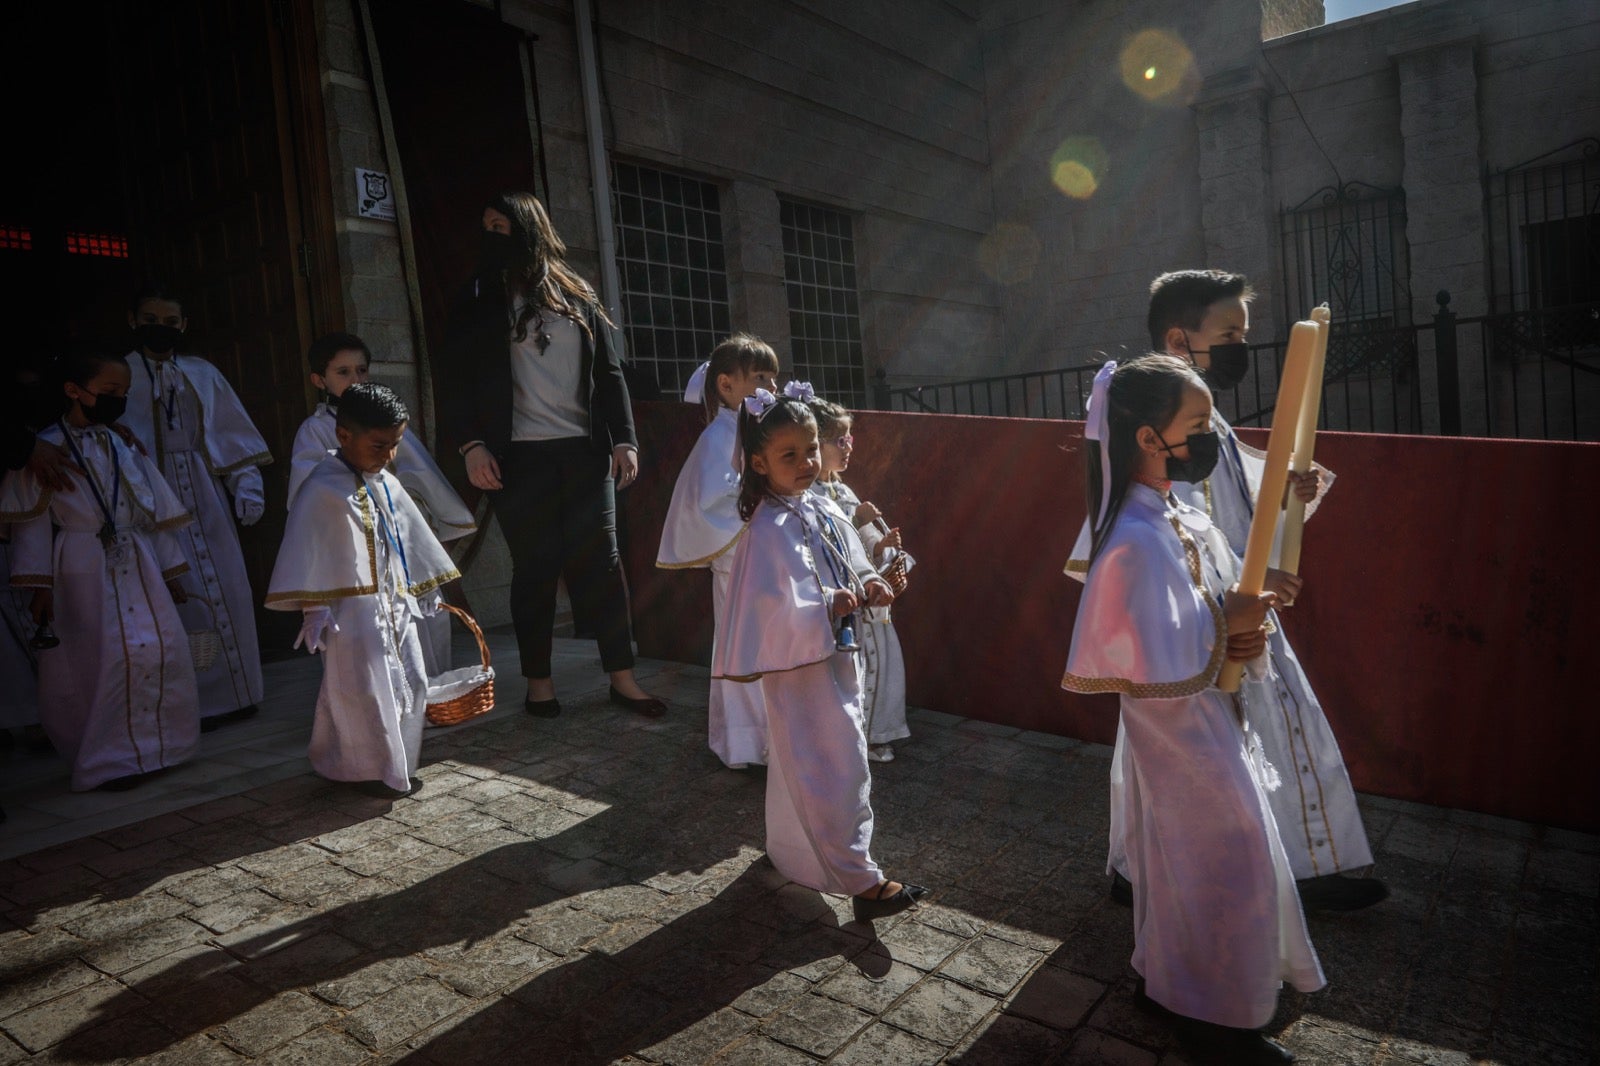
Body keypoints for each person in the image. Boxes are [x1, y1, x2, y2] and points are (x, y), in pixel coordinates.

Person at [1067, 270, 1384, 913]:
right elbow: (1181, 529)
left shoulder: (1199, 422)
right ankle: (1207, 872)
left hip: (1232, 611)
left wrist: (1286, 493)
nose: (1243, 344)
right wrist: (1243, 580)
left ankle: (1243, 865)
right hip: (1203, 624)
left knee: (1246, 735)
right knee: (1199, 744)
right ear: (1182, 339)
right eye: (1231, 333)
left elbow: (1236, 488)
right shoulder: (1157, 433)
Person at [1063, 356, 1323, 1064]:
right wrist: (1226, 622)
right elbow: (1152, 652)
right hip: (1179, 731)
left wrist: (1250, 593)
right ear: (1150, 439)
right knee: (1221, 854)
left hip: (1206, 720)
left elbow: (1206, 591)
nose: (1212, 438)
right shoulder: (1132, 540)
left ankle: (1177, 981)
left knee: (1197, 854)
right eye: (1200, 426)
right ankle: (1211, 1011)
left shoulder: (1174, 510)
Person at [437, 191, 663, 720]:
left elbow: (609, 372)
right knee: (536, 568)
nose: (492, 237)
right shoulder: (477, 296)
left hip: (586, 454)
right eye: (486, 227)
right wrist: (471, 446)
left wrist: (624, 438)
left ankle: (622, 679)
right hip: (520, 458)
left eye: (502, 227)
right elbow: (455, 382)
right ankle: (540, 685)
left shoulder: (576, 291)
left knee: (603, 567)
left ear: (529, 230)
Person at [711, 384, 926, 923]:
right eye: (791, 455)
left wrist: (873, 582)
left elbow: (851, 557)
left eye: (811, 450)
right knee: (836, 764)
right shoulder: (766, 528)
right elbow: (774, 602)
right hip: (800, 665)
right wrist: (830, 602)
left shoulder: (822, 507)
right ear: (759, 462)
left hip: (835, 657)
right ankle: (862, 878)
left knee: (801, 763)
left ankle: (793, 853)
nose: (807, 462)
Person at [1, 351, 200, 792]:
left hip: (137, 558)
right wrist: (40, 585)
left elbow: (153, 513)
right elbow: (33, 523)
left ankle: (160, 747)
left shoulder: (124, 443)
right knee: (96, 660)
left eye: (124, 394)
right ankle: (109, 760)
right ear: (74, 390)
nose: (118, 401)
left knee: (156, 650)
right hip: (79, 564)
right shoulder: (47, 448)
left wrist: (171, 571)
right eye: (110, 393)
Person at [266, 383, 460, 798]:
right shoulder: (321, 488)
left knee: (413, 679)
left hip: (396, 605)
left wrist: (424, 587)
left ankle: (400, 762)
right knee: (363, 690)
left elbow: (411, 536)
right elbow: (308, 548)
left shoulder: (386, 481)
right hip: (351, 613)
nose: (388, 456)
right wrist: (313, 609)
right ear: (343, 436)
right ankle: (363, 768)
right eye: (379, 445)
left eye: (395, 445)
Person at [123, 285, 270, 732]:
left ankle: (239, 693)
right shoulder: (122, 373)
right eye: (150, 319)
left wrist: (247, 485)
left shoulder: (202, 372)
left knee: (227, 585)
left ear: (184, 326)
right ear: (133, 321)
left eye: (170, 322)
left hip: (205, 491)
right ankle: (187, 704)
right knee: (175, 592)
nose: (161, 329)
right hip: (149, 494)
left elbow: (232, 432)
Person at [287, 332, 476, 676]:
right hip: (352, 552)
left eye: (361, 370)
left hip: (401, 543)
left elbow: (420, 476)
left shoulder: (386, 418)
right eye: (342, 372)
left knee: (422, 624)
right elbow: (309, 498)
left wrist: (434, 528)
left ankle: (430, 698)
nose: (355, 379)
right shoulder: (315, 430)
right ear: (320, 380)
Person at [656, 333, 779, 769]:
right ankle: (745, 745)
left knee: (764, 651)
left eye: (773, 378)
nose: (770, 387)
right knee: (741, 651)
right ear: (726, 385)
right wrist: (760, 499)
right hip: (738, 562)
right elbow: (712, 499)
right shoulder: (717, 437)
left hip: (761, 562)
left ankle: (770, 741)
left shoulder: (753, 430)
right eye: (759, 377)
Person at [806, 397, 911, 763]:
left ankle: (877, 732)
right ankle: (851, 738)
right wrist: (858, 520)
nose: (848, 446)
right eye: (838, 440)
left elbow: (863, 548)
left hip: (871, 600)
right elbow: (832, 548)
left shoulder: (845, 491)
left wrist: (881, 544)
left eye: (849, 438)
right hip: (843, 603)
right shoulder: (809, 496)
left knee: (884, 664)